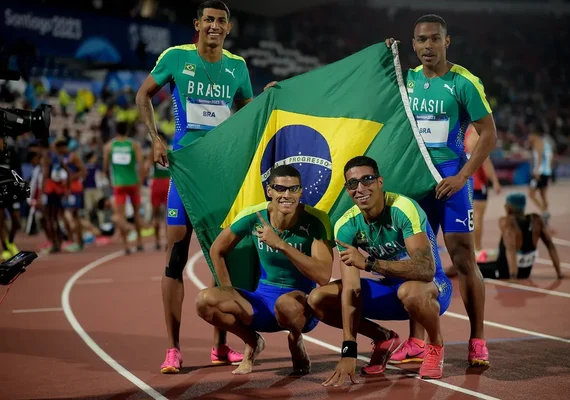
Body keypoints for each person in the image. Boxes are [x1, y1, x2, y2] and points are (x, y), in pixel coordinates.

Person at [135, 0, 254, 373]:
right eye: (209, 20)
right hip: (185, 169)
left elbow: (250, 113)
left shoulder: (238, 66)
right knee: (175, 254)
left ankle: (219, 346)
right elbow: (143, 96)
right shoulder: (175, 57)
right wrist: (156, 139)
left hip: (221, 173)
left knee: (224, 256)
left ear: (228, 28)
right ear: (197, 24)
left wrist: (269, 99)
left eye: (221, 21)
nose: (215, 26)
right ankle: (173, 348)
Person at [385, 14, 497, 366]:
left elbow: (489, 134)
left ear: (446, 42)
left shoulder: (463, 82)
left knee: (464, 258)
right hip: (414, 181)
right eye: (421, 40)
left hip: (451, 179)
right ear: (413, 44)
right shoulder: (408, 81)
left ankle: (477, 339)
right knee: (416, 261)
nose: (427, 46)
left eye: (435, 39)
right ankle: (416, 341)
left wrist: (463, 176)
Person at [308, 156, 451, 384]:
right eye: (353, 184)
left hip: (431, 288)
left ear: (380, 181)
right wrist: (349, 350)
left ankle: (434, 344)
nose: (360, 188)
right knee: (317, 299)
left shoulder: (403, 208)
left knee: (410, 292)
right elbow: (351, 290)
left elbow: (425, 270)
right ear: (347, 190)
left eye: (367, 180)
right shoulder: (346, 226)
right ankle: (383, 338)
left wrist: (369, 264)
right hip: (391, 291)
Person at [195, 165, 333, 375]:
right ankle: (253, 341)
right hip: (261, 300)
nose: (287, 195)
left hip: (299, 305)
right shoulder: (254, 216)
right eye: (280, 188)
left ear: (301, 191)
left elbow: (323, 276)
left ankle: (295, 340)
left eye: (293, 189)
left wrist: (282, 245)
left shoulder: (316, 220)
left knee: (286, 304)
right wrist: (228, 291)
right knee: (204, 301)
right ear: (270, 191)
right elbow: (217, 250)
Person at [473, 193, 562, 280]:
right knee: (476, 265)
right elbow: (550, 246)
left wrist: (513, 278)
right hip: (526, 271)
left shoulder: (507, 223)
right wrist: (559, 273)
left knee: (466, 269)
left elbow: (511, 249)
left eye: (506, 205)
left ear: (509, 207)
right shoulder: (536, 220)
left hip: (505, 271)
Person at [103, 121, 144, 254]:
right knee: (136, 214)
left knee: (121, 216)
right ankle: (139, 242)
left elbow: (105, 167)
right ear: (127, 131)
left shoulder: (109, 146)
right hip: (133, 183)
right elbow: (141, 165)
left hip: (118, 184)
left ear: (115, 131)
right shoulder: (134, 145)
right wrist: (140, 181)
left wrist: (110, 180)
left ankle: (126, 245)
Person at [464, 124, 501, 262]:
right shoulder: (477, 136)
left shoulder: (466, 134)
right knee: (477, 217)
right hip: (478, 182)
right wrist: (495, 182)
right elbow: (486, 162)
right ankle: (477, 249)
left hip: (467, 181)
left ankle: (473, 249)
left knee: (470, 217)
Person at [144, 132, 171, 250]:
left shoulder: (154, 150)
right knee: (167, 214)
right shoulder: (170, 149)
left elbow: (146, 167)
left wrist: (143, 180)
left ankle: (157, 241)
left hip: (156, 183)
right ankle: (167, 241)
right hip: (167, 182)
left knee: (155, 214)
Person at [0, 137, 22, 260]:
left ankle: (10, 242)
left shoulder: (12, 153)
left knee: (16, 221)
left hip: (12, 191)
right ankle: (6, 249)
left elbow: (18, 172)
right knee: (1, 222)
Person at [528, 130, 553, 224]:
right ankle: (545, 214)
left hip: (540, 172)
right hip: (546, 172)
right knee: (543, 195)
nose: (529, 137)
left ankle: (544, 212)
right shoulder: (546, 143)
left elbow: (539, 157)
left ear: (534, 134)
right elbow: (549, 158)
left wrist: (537, 170)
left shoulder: (538, 143)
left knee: (531, 194)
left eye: (530, 135)